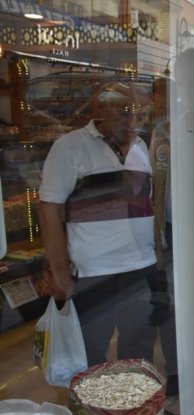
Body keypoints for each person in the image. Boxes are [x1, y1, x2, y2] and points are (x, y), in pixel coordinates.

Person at [38, 84, 159, 367]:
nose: (131, 122)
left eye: (139, 115)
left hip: (140, 269)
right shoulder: (69, 147)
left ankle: (133, 409)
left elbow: (146, 209)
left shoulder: (142, 147)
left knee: (139, 351)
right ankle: (94, 412)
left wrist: (158, 264)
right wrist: (59, 273)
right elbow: (49, 209)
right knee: (90, 355)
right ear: (103, 110)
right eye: (123, 113)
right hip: (93, 275)